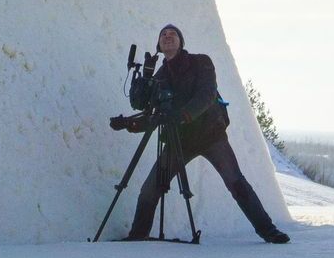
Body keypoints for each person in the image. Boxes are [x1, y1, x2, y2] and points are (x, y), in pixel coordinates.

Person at [119, 23, 290, 244]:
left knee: (235, 182)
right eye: (163, 35)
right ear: (159, 46)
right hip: (179, 140)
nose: (167, 36)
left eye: (173, 34)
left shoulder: (201, 62)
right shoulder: (160, 76)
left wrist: (183, 116)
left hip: (211, 136)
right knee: (150, 188)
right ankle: (137, 235)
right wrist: (129, 124)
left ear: (181, 42)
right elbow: (155, 114)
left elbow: (207, 95)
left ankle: (268, 230)